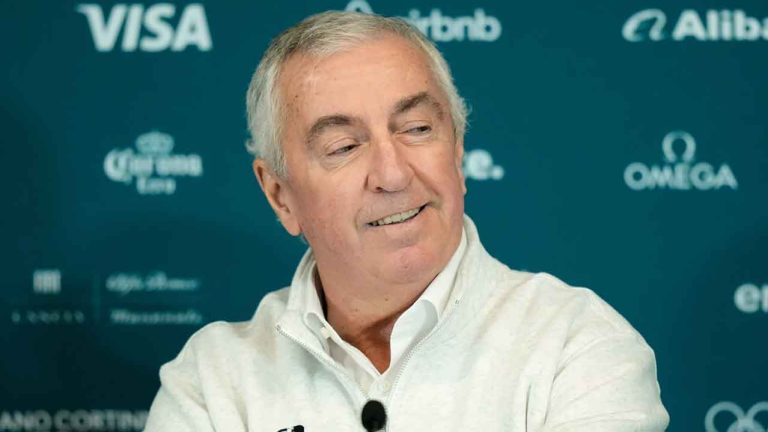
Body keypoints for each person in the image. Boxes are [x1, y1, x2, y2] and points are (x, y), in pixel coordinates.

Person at [144, 11, 669, 432]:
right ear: (280, 196)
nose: (392, 173)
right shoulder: (212, 380)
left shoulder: (576, 348)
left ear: (458, 155)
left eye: (417, 128)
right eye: (344, 146)